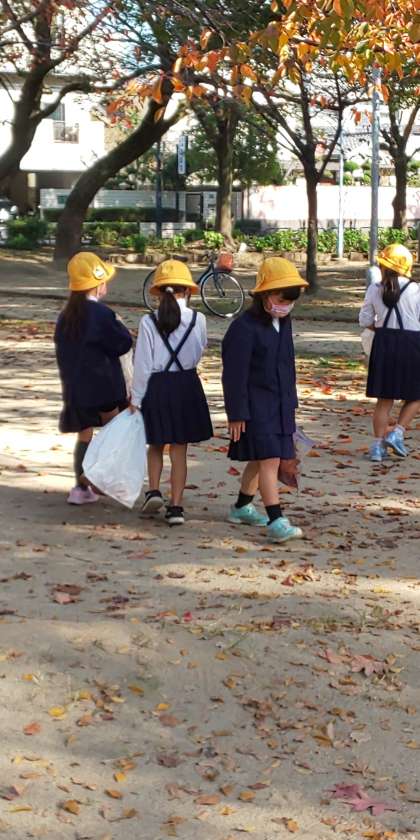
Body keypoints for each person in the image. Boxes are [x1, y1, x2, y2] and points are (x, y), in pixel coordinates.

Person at [222, 256, 308, 543]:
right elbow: (234, 375)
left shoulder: (284, 322)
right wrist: (236, 413)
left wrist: (291, 404)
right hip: (256, 406)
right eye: (282, 300)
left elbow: (288, 364)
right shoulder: (243, 328)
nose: (286, 306)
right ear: (265, 295)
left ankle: (241, 506)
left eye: (290, 302)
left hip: (281, 404)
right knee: (269, 460)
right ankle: (276, 520)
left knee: (260, 460)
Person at [130, 259, 212, 525]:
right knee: (179, 450)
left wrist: (136, 398)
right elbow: (199, 351)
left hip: (157, 385)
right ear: (187, 290)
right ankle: (176, 507)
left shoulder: (148, 321)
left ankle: (153, 491)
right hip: (186, 384)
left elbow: (142, 363)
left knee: (155, 444)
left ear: (158, 291)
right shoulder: (198, 319)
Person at [54, 252, 133, 504]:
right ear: (98, 284)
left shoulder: (65, 316)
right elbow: (122, 343)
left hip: (76, 387)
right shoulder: (102, 314)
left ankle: (80, 489)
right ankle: (99, 477)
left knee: (84, 435)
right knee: (114, 430)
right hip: (104, 386)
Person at [359, 243, 420, 462]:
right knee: (415, 395)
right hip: (411, 344)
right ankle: (397, 433)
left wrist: (382, 328)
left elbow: (365, 320)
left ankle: (377, 447)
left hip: (383, 343)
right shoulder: (416, 289)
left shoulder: (374, 289)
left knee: (384, 400)